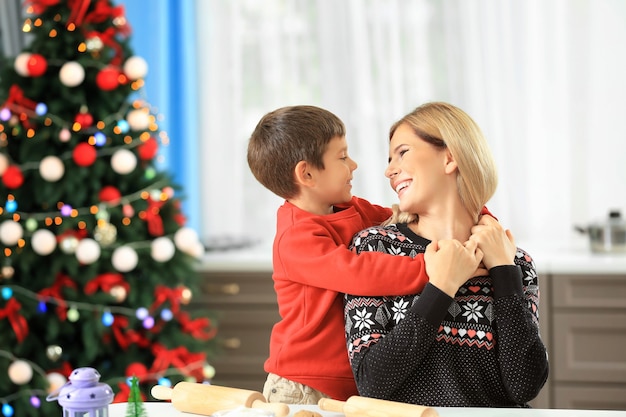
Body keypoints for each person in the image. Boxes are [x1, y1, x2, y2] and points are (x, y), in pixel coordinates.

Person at [343, 102, 549, 407]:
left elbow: (524, 386)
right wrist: (441, 288)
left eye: (402, 152)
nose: (389, 170)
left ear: (450, 157)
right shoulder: (374, 248)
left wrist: (504, 270)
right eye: (390, 159)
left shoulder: (514, 262)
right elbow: (372, 383)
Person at [246, 105, 437, 404]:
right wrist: (430, 269)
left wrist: (476, 213)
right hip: (302, 387)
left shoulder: (351, 208)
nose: (354, 165)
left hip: (349, 383)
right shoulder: (296, 238)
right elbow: (360, 273)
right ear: (306, 173)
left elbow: (407, 216)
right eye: (342, 156)